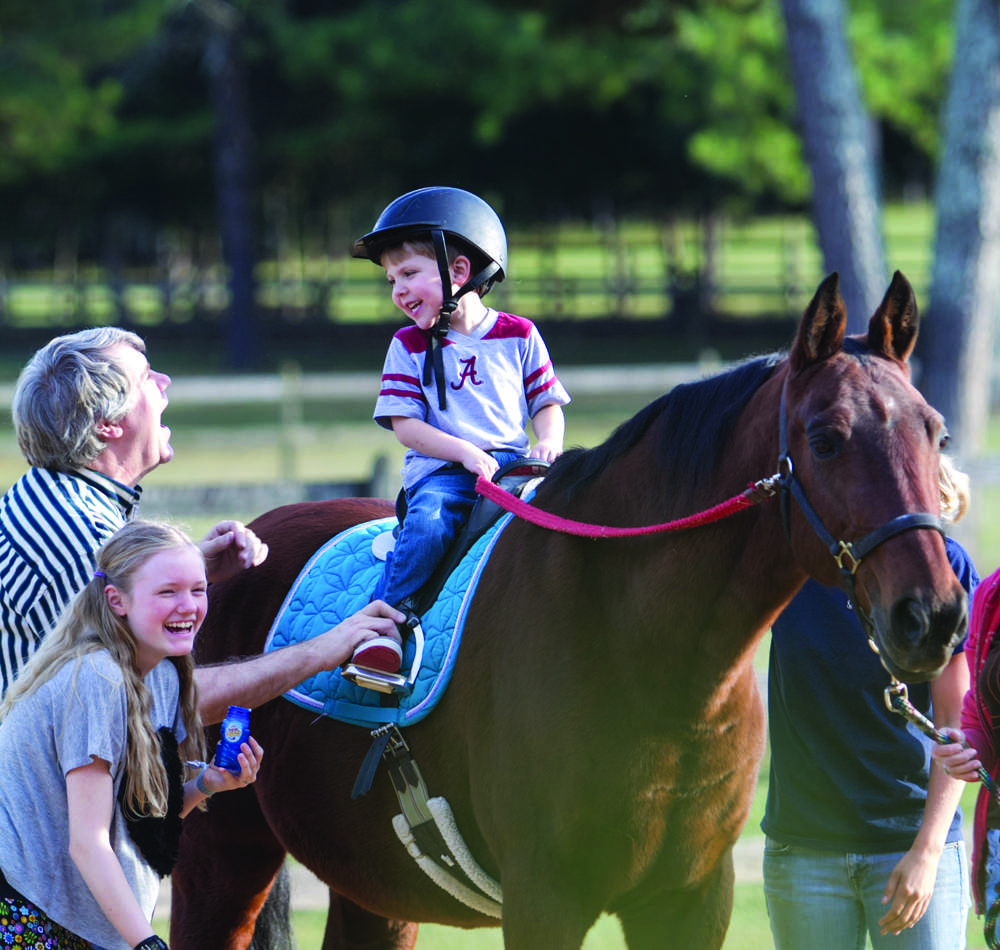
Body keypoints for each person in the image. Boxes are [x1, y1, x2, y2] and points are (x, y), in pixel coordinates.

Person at [0, 326, 406, 722]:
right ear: (107, 423)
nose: (165, 381)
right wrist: (322, 649)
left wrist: (189, 567)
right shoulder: (85, 537)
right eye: (146, 377)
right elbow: (151, 701)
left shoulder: (49, 500)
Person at [0, 520, 263, 950]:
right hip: (29, 914)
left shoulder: (162, 674)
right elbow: (88, 843)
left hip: (88, 916)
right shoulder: (97, 678)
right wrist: (147, 943)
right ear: (116, 600)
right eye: (167, 592)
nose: (188, 606)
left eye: (198, 590)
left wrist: (205, 784)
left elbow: (138, 818)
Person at [347, 186, 571, 677]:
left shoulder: (520, 335)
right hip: (445, 474)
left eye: (408, 274)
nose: (398, 290)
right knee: (427, 526)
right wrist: (466, 453)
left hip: (513, 468)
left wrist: (549, 441)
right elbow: (406, 427)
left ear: (459, 272)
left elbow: (547, 403)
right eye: (391, 280)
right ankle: (381, 630)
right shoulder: (406, 344)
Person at [762, 458, 979, 949]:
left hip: (914, 845)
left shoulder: (948, 568)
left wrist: (926, 854)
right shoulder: (793, 566)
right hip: (804, 851)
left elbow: (954, 725)